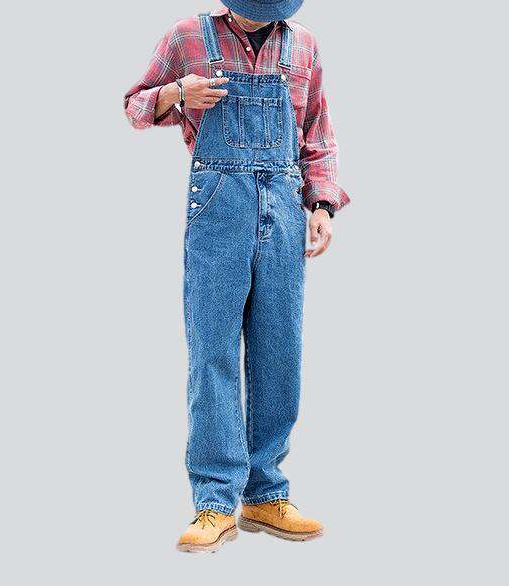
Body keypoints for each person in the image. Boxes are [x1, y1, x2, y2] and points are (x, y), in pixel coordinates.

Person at [124, 0, 349, 553]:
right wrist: (178, 94)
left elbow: (317, 132)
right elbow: (134, 106)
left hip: (284, 206)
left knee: (279, 350)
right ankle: (215, 501)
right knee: (213, 350)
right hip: (218, 207)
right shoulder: (188, 36)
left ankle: (265, 493)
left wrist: (322, 205)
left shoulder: (305, 45)